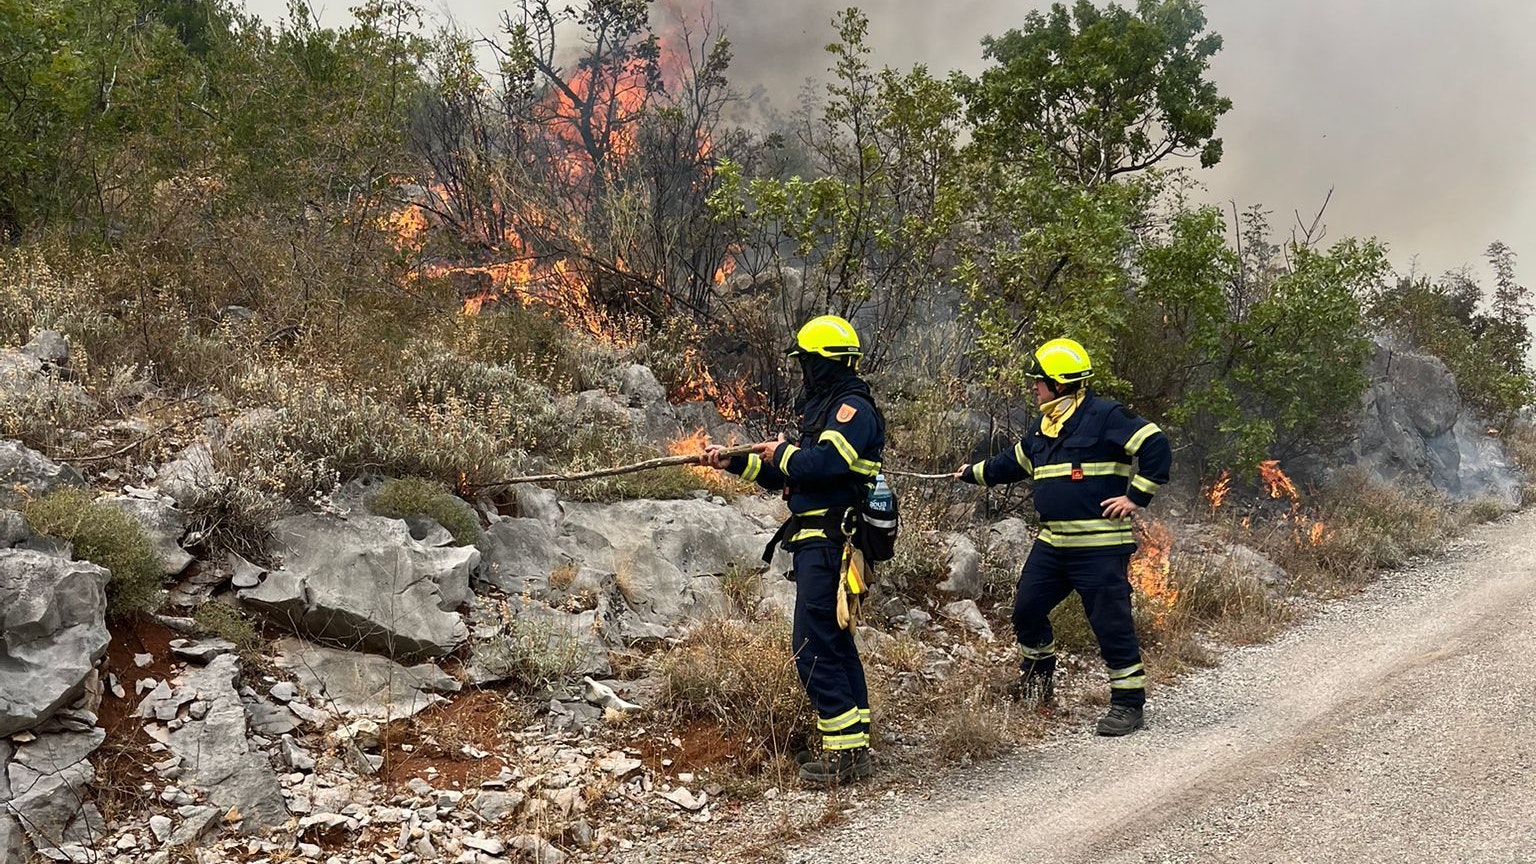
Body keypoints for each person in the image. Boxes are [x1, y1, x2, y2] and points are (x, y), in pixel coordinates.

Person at [699, 314, 885, 785]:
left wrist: (782, 451)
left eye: (805, 362)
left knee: (813, 646)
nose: (801, 371)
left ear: (822, 363)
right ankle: (853, 751)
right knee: (834, 643)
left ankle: (844, 758)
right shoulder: (823, 409)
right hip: (816, 542)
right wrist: (734, 462)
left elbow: (825, 463)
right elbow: (793, 473)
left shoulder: (851, 408)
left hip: (830, 543)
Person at [953, 337, 1171, 736]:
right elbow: (1012, 463)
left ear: (1059, 383)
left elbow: (1155, 444)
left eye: (1039, 381)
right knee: (1026, 611)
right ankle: (1038, 680)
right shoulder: (1044, 426)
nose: (1034, 388)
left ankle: (1128, 705)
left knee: (1111, 625)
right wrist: (972, 473)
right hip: (1053, 545)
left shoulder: (1105, 416)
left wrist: (1136, 496)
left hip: (1100, 549)